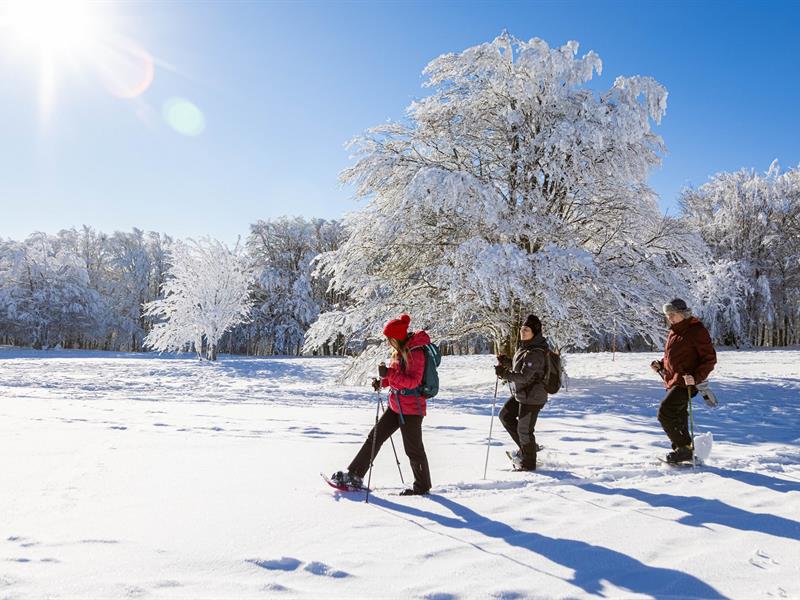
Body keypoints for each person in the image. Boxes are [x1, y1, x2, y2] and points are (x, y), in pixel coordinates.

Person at [330, 313, 433, 496]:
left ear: (398, 337)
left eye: (390, 339)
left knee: (413, 449)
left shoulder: (416, 352)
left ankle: (422, 486)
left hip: (412, 409)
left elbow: (413, 382)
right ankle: (355, 474)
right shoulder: (400, 352)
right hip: (396, 405)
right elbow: (396, 377)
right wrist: (383, 382)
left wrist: (389, 375)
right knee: (374, 437)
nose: (388, 342)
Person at [651, 298, 717, 463]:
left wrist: (695, 377)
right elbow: (673, 355)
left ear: (683, 313)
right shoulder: (675, 330)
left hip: (687, 382)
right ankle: (685, 449)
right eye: (668, 315)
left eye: (672, 314)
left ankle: (683, 449)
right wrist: (661, 364)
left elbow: (709, 359)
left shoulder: (696, 330)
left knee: (665, 412)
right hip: (673, 379)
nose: (669, 318)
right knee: (678, 415)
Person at [495, 314, 550, 471]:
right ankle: (528, 448)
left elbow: (525, 376)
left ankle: (528, 464)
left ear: (534, 332)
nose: (522, 331)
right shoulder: (526, 346)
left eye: (526, 329)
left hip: (533, 397)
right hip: (523, 393)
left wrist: (503, 374)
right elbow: (523, 366)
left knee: (524, 430)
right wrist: (507, 362)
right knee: (505, 416)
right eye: (522, 329)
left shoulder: (536, 351)